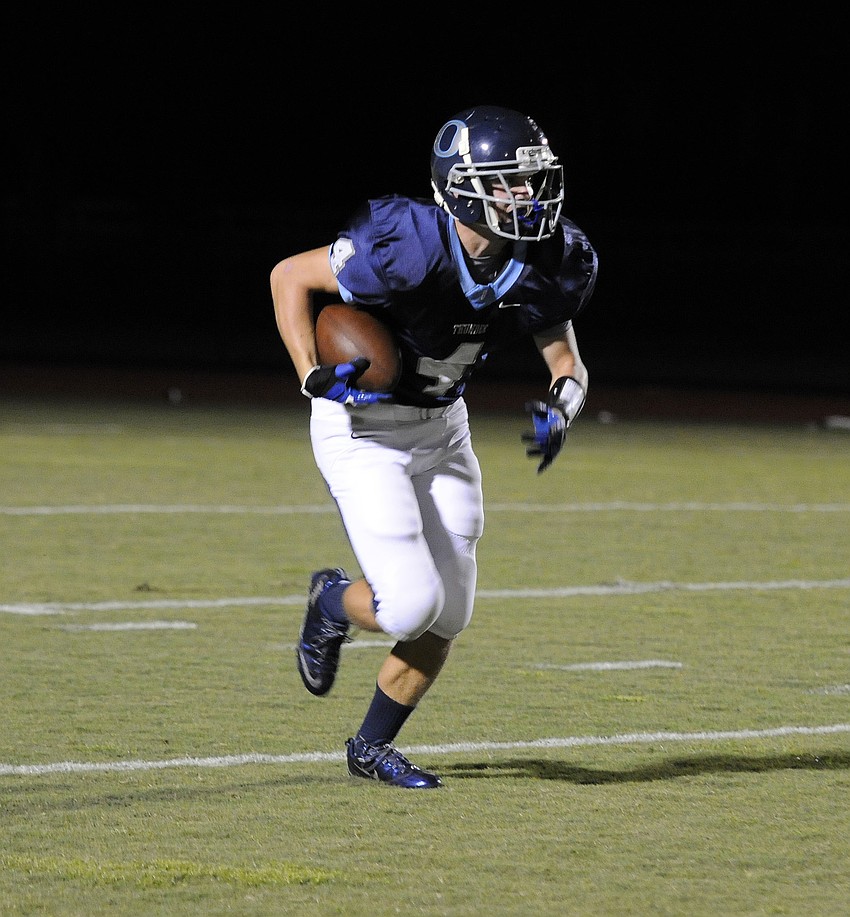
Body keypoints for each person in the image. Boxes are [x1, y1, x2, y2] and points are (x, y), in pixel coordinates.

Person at [270, 105, 598, 789]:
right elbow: (289, 278)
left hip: (443, 425)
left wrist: (562, 407)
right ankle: (331, 601)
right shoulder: (405, 242)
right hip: (364, 430)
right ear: (464, 185)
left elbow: (567, 360)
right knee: (411, 603)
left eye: (533, 182)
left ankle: (371, 746)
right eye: (510, 183)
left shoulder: (547, 257)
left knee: (450, 610)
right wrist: (309, 372)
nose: (528, 197)